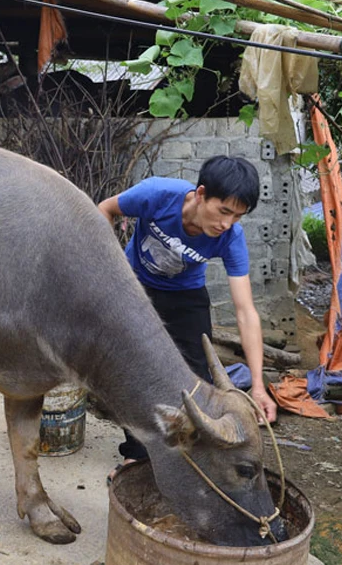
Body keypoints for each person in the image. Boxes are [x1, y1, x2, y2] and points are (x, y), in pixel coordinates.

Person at [97, 155, 278, 477]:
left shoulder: (230, 238)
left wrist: (259, 386)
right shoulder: (156, 194)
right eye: (223, 211)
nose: (226, 223)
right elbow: (104, 209)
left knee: (197, 380)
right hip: (135, 287)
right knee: (130, 370)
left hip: (186, 297)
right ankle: (137, 457)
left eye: (237, 216)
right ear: (201, 193)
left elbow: (246, 311)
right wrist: (110, 270)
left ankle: (186, 454)